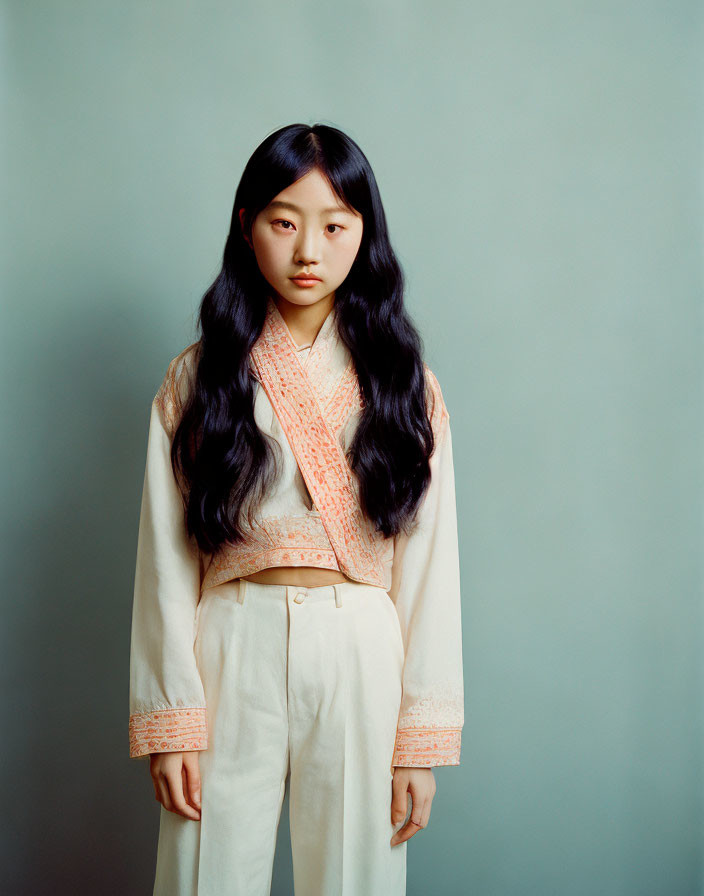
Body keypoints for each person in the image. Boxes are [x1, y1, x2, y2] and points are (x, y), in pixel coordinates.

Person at [128, 122, 464, 896]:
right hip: (229, 641)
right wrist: (171, 718)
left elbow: (429, 563)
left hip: (359, 644)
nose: (308, 250)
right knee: (202, 878)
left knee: (358, 879)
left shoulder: (404, 383)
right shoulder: (199, 377)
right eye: (284, 222)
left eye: (335, 225)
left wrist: (419, 739)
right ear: (247, 228)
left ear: (364, 236)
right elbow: (166, 559)